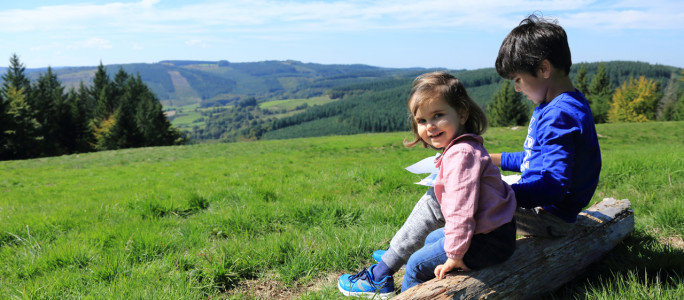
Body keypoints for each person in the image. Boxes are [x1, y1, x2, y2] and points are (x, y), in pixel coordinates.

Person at [338, 72, 517, 298]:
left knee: (414, 264)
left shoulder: (461, 155)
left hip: (488, 241)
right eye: (422, 120)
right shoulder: (465, 147)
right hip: (498, 233)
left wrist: (455, 255)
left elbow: (461, 210)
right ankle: (411, 264)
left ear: (462, 113)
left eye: (438, 115)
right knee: (432, 239)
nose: (429, 126)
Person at [490, 13, 602, 238]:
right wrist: (489, 159)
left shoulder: (559, 114)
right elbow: (536, 158)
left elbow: (552, 187)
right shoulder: (557, 104)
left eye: (518, 79)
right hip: (546, 210)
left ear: (543, 69)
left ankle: (408, 267)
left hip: (548, 217)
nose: (517, 89)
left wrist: (499, 193)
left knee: (451, 200)